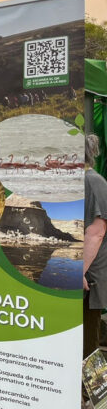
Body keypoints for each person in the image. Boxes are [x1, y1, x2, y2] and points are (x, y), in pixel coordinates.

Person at [84, 133, 107, 358]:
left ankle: (89, 392)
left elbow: (96, 232)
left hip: (89, 278)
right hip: (80, 274)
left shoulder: (93, 181)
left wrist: (77, 272)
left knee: (87, 342)